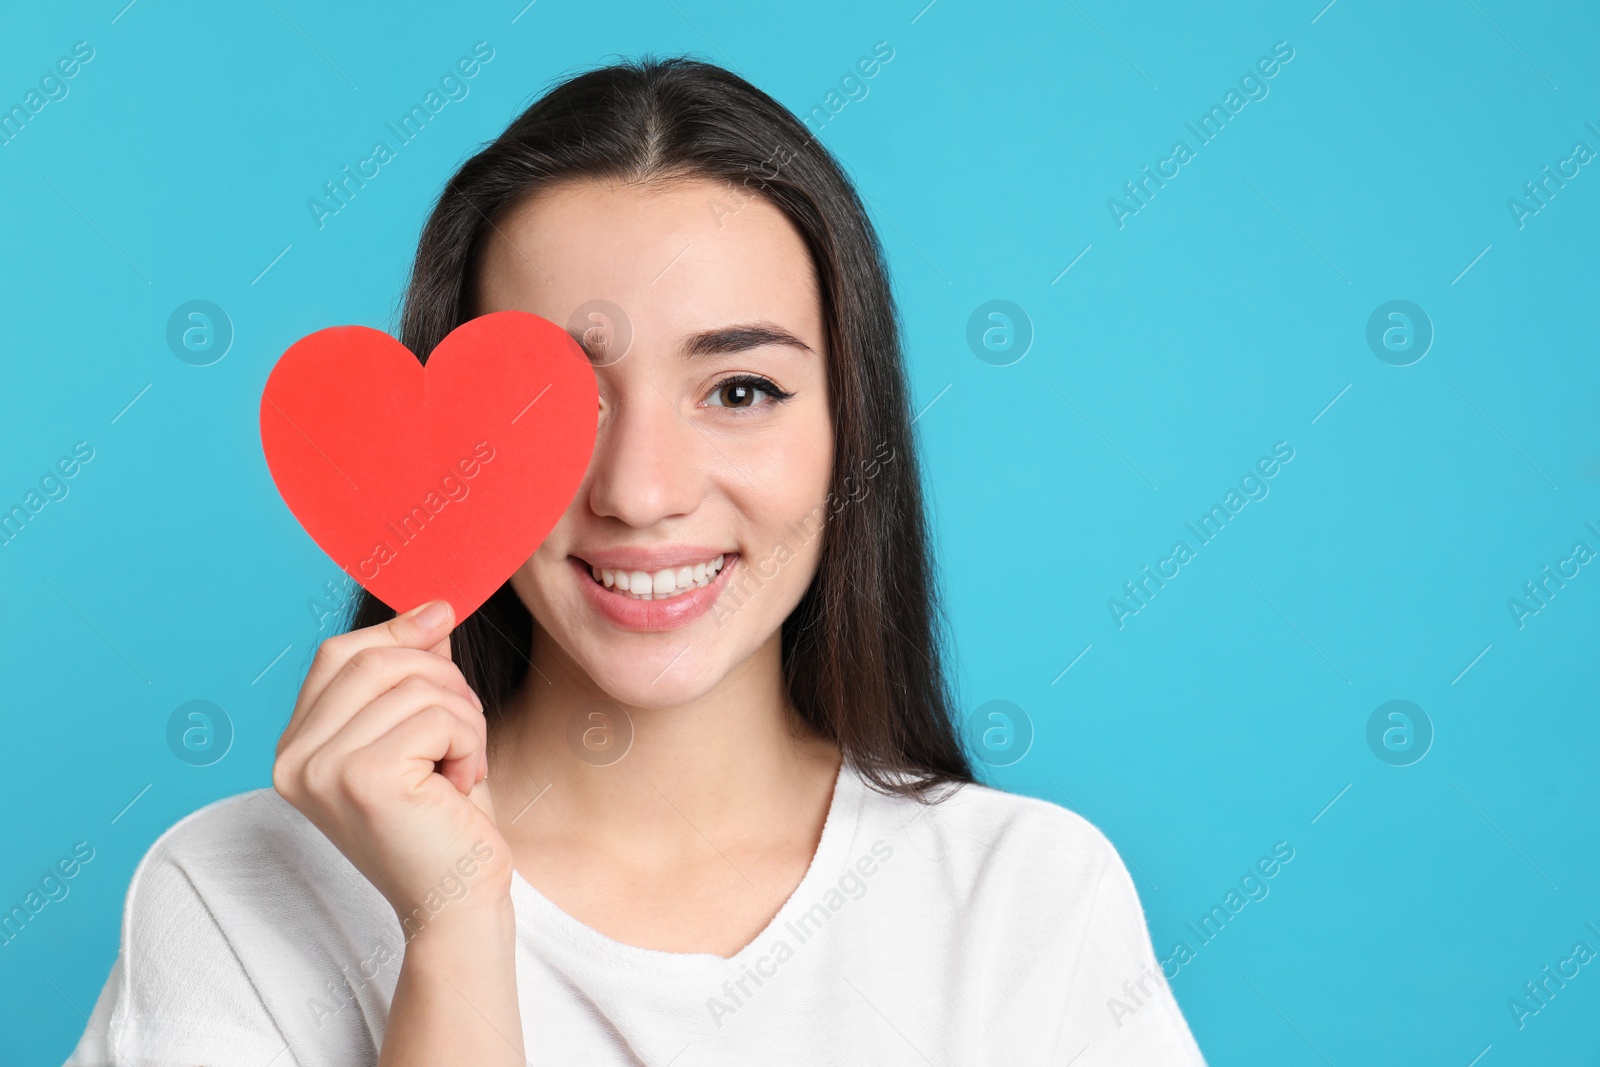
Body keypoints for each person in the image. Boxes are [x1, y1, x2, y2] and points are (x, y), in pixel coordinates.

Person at [66, 55, 1205, 1066]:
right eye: (554, 399)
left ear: (848, 430)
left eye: (740, 389)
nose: (641, 490)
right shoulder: (238, 896)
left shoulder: (1026, 901)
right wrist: (454, 928)